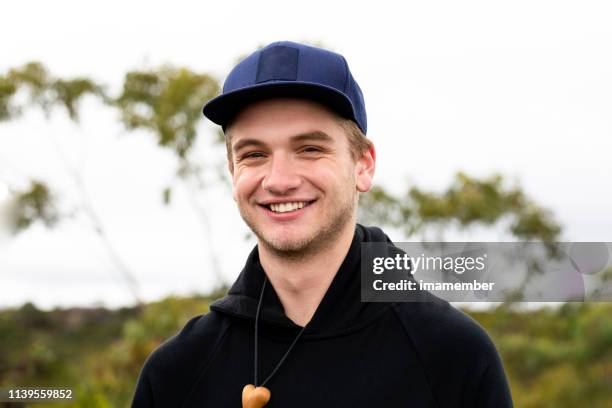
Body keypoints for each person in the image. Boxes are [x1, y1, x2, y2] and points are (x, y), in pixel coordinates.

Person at [132, 41, 513, 407]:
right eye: (254, 154)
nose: (279, 179)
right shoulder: (177, 373)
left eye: (310, 149)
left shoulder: (453, 356)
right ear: (233, 172)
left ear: (363, 164)